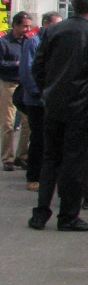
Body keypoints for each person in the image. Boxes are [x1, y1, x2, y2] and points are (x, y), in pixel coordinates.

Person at [28, 0, 88, 232]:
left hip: (55, 104)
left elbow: (38, 66)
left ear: (71, 4)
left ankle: (41, 212)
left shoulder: (53, 31)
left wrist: (47, 91)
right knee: (73, 163)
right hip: (81, 108)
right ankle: (67, 215)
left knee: (51, 159)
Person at [18, 11, 61, 191]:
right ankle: (33, 176)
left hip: (51, 99)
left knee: (50, 139)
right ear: (45, 24)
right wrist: (41, 92)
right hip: (36, 101)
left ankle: (48, 175)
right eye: (55, 24)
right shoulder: (33, 42)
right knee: (37, 138)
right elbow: (27, 72)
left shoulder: (55, 42)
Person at [1, 11, 33, 171]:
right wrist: (14, 64)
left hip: (24, 85)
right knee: (8, 122)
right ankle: (7, 158)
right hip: (9, 83)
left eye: (29, 26)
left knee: (27, 122)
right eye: (24, 26)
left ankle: (22, 156)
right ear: (15, 25)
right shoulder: (4, 42)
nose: (27, 29)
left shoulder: (28, 42)